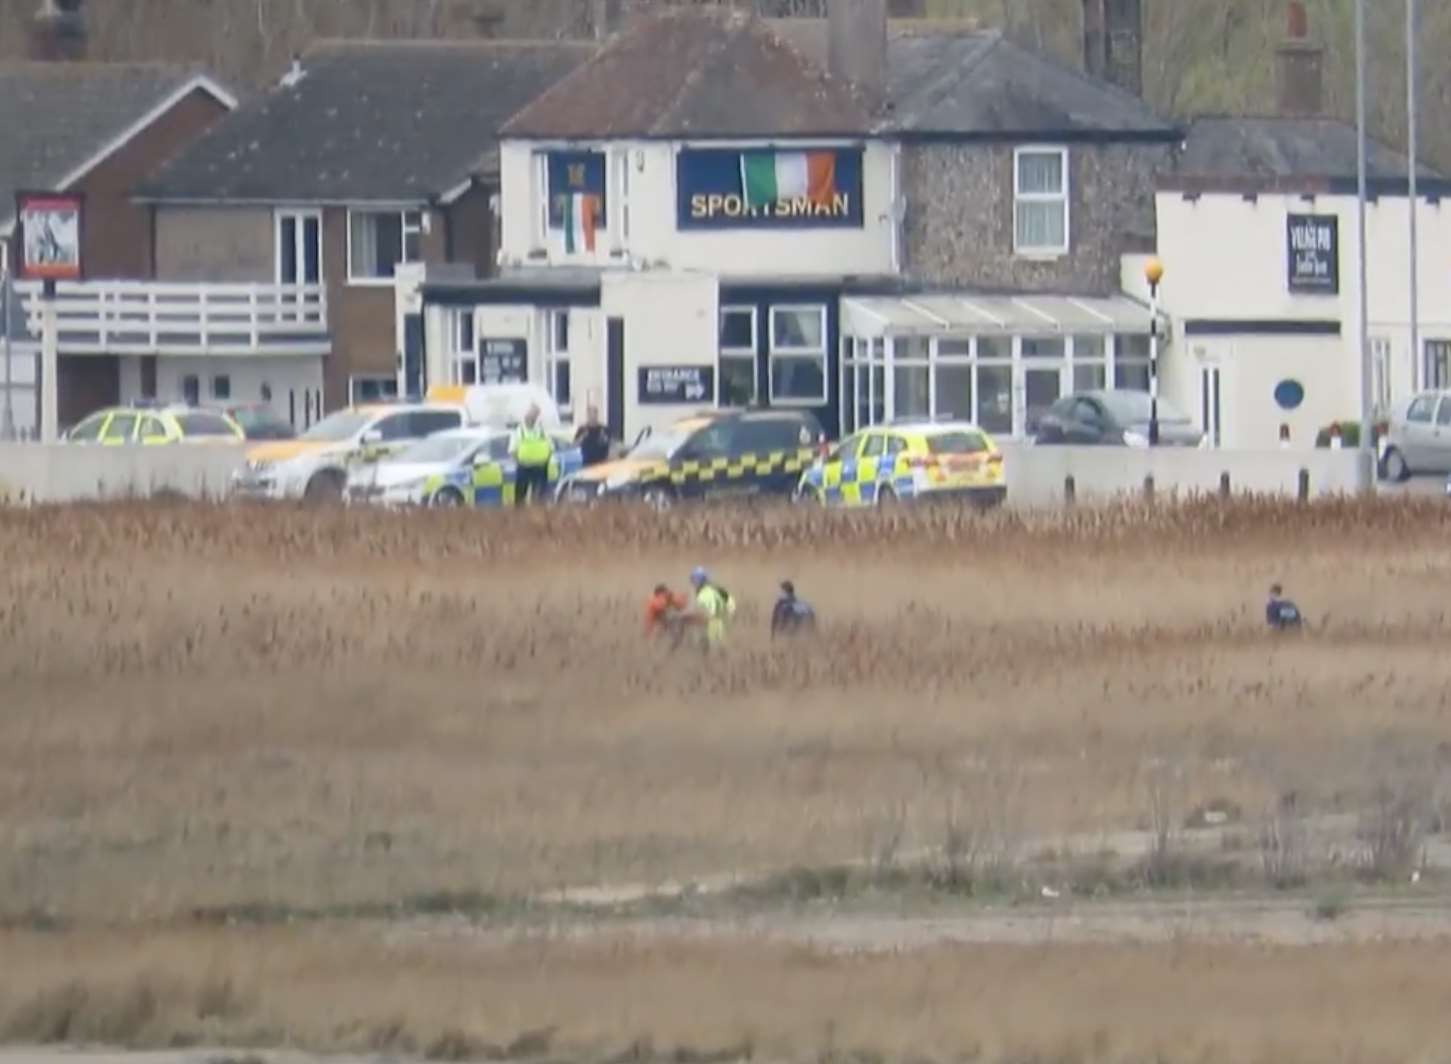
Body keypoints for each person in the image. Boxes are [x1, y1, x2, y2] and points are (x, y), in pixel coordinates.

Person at [508, 403, 554, 506]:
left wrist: (546, 460)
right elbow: (512, 451)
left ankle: (537, 516)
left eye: (534, 416)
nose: (532, 418)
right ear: (526, 416)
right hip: (524, 468)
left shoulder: (542, 431)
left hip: (540, 468)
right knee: (520, 497)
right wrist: (519, 462)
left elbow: (551, 448)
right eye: (530, 416)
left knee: (539, 497)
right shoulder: (518, 432)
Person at [689, 566, 735, 651]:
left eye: (694, 580)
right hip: (722, 622)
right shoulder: (717, 589)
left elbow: (710, 614)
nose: (693, 583)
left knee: (712, 649)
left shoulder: (704, 595)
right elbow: (731, 603)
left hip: (713, 625)